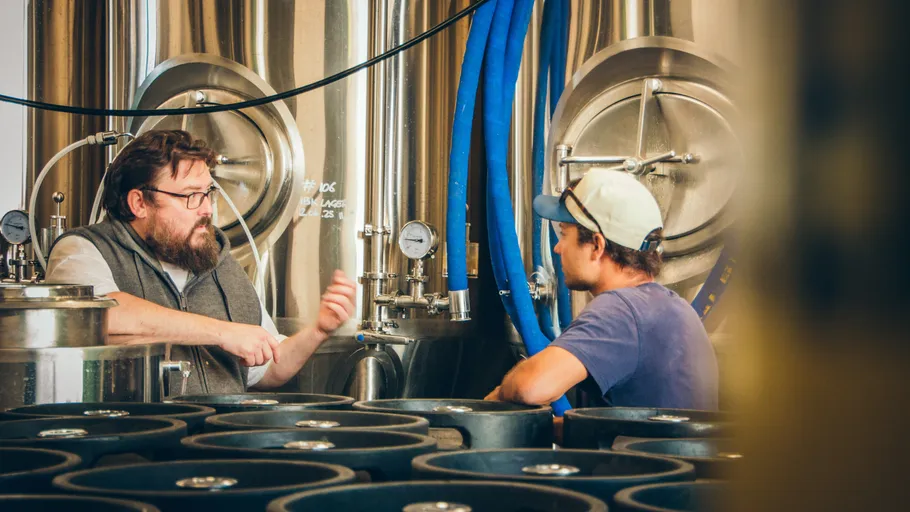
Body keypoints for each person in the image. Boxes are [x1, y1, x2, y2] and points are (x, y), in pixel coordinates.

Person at [45, 130, 357, 394]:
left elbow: (268, 368)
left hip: (220, 438)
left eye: (208, 193)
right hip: (138, 441)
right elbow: (99, 316)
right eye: (191, 196)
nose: (207, 209)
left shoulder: (218, 261)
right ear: (139, 203)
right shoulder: (83, 250)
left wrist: (318, 330)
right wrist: (223, 333)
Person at [485, 170, 719, 410]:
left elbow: (530, 387)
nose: (558, 248)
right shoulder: (675, 308)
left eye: (564, 234)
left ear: (597, 245)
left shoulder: (621, 311)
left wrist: (500, 395)